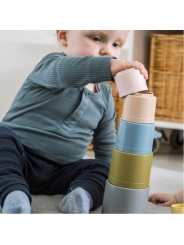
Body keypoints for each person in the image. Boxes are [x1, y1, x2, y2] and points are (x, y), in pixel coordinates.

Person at [0, 30, 148, 214]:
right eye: (96, 38)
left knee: (104, 169)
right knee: (2, 136)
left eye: (116, 45)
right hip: (19, 158)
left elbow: (106, 141)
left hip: (61, 172)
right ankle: (13, 194)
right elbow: (78, 69)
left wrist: (119, 182)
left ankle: (80, 197)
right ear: (63, 36)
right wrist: (109, 66)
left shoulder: (105, 96)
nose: (107, 51)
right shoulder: (51, 66)